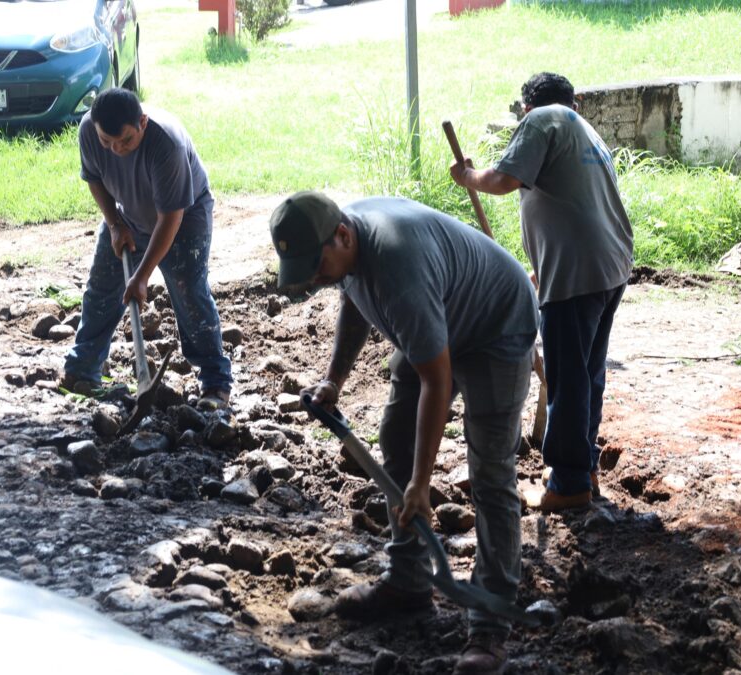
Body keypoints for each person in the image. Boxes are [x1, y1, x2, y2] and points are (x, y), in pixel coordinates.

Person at [270, 192, 538, 675]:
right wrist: (334, 380)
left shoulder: (398, 270)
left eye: (317, 267)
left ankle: (490, 624)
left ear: (343, 236)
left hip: (496, 326)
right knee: (395, 435)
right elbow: (354, 300)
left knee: (491, 474)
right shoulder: (343, 244)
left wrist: (421, 483)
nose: (314, 279)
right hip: (440, 317)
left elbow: (437, 380)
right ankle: (408, 581)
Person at [450, 72, 634, 512]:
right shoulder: (584, 130)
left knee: (568, 378)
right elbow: (574, 204)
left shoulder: (543, 119)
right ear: (575, 102)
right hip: (608, 266)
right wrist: (541, 270)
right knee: (587, 373)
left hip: (578, 274)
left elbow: (504, 180)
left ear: (526, 109)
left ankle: (568, 485)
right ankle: (583, 467)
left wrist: (468, 176)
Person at [60, 88, 232, 407]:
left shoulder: (167, 145)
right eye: (107, 142)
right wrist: (115, 224)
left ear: (142, 122)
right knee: (101, 288)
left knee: (189, 291)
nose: (116, 150)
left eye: (125, 141)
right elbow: (94, 178)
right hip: (126, 216)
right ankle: (82, 370)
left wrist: (141, 277)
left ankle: (215, 382)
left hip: (184, 217)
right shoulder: (88, 130)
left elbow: (170, 218)